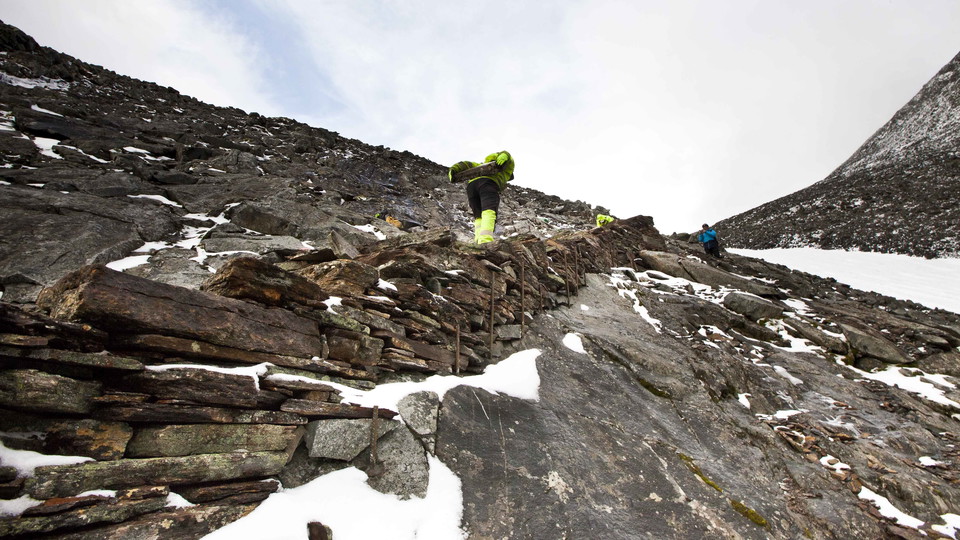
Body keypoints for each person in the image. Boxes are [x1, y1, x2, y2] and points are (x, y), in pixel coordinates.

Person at [448, 151, 515, 244]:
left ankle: (478, 240)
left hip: (471, 187)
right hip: (487, 184)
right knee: (489, 211)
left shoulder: (479, 165)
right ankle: (485, 240)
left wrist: (454, 169)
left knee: (478, 216)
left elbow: (466, 164)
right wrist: (505, 155)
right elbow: (507, 156)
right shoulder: (507, 170)